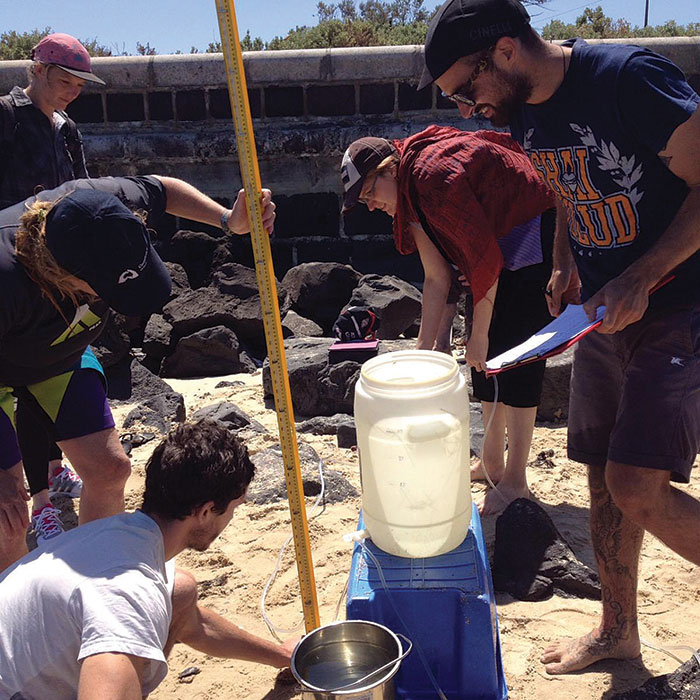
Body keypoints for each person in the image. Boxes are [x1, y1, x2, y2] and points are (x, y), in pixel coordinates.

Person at [420, 0, 700, 675]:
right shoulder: (521, 111)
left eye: (466, 87)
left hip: (678, 305)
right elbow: (570, 186)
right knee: (602, 476)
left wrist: (641, 277)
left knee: (636, 485)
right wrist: (564, 261)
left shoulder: (628, 78)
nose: (465, 109)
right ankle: (618, 633)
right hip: (601, 312)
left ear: (508, 52)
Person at [0, 174, 276, 572]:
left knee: (110, 469)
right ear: (62, 274)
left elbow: (163, 189)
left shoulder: (101, 205)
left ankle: (98, 582)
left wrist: (226, 220)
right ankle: (18, 615)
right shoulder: (6, 279)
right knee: (8, 513)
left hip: (60, 355)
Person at [341, 125, 556, 515]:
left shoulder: (431, 179)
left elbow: (482, 260)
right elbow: (437, 277)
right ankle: (491, 463)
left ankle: (516, 480)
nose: (370, 206)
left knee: (517, 353)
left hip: (528, 226)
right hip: (491, 242)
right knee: (483, 362)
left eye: (370, 192)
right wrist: (423, 352)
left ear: (390, 170)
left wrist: (479, 334)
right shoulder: (409, 196)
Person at [0, 419, 296, 698]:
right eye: (234, 508)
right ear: (205, 512)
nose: (231, 517)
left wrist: (282, 656)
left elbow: (194, 623)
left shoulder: (120, 534)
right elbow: (122, 620)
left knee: (180, 591)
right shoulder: (128, 595)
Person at [0, 32, 106, 542]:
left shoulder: (68, 130)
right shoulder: (5, 117)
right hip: (12, 264)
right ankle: (37, 494)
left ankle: (50, 467)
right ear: (37, 70)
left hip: (59, 265)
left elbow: (80, 189)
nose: (72, 92)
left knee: (58, 363)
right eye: (65, 81)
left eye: (80, 85)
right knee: (22, 379)